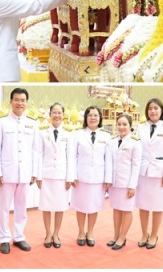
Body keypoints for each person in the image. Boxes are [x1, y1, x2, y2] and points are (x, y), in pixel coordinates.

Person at [0, 87, 36, 254]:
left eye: (23, 100)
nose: (20, 103)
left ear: (26, 103)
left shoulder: (33, 123)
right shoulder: (2, 122)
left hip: (25, 172)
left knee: (21, 207)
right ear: (10, 102)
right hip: (7, 173)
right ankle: (4, 238)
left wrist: (34, 172)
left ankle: (19, 237)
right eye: (16, 100)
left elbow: (35, 150)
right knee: (4, 207)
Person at [135, 97, 163, 250]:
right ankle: (144, 234)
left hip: (160, 173)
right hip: (143, 172)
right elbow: (137, 149)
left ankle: (154, 235)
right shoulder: (141, 127)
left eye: (156, 108)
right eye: (150, 108)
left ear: (161, 110)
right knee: (143, 205)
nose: (153, 111)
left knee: (158, 206)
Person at [67, 105, 111, 247]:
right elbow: (72, 157)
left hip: (98, 177)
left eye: (96, 115)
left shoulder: (106, 136)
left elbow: (108, 159)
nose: (93, 117)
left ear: (100, 118)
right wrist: (72, 175)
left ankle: (90, 232)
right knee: (81, 206)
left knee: (94, 206)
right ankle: (81, 232)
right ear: (86, 118)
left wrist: (108, 179)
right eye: (90, 115)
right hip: (81, 177)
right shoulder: (77, 134)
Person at [35, 102, 70, 249]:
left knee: (60, 206)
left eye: (59, 113)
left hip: (62, 176)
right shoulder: (42, 133)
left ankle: (56, 233)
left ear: (63, 115)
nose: (57, 115)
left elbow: (70, 158)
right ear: (50, 115)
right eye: (54, 112)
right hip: (47, 175)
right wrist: (38, 176)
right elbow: (38, 154)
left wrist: (70, 177)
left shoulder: (68, 135)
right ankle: (48, 233)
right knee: (47, 206)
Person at [104, 114, 141, 250]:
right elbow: (109, 163)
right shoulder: (112, 141)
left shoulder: (135, 143)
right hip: (115, 183)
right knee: (117, 210)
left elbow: (136, 165)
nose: (121, 127)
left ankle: (122, 237)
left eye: (124, 124)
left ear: (130, 126)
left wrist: (132, 185)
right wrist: (108, 181)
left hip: (126, 183)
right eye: (119, 124)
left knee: (126, 210)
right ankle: (116, 235)